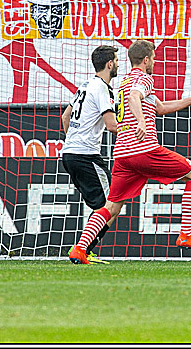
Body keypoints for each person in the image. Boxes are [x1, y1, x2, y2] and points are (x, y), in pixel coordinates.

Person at [68, 40, 191, 264]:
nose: (155, 63)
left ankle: (80, 249)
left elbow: (161, 108)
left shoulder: (124, 82)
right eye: (154, 59)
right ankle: (186, 234)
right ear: (146, 60)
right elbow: (135, 97)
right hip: (143, 149)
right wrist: (141, 122)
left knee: (112, 205)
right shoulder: (143, 79)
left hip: (122, 155)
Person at [60, 45, 120, 264]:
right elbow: (112, 125)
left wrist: (73, 141)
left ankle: (84, 249)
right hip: (85, 155)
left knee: (104, 206)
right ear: (109, 64)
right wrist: (138, 128)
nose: (118, 64)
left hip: (69, 154)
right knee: (111, 205)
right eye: (116, 60)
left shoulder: (84, 86)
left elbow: (66, 117)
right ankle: (81, 249)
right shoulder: (103, 89)